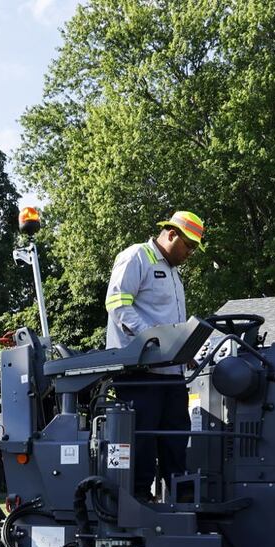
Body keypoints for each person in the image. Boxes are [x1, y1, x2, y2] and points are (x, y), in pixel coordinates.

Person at [103, 211, 205, 498]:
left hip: (170, 374)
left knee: (176, 439)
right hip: (139, 374)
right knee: (142, 442)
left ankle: (182, 500)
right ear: (171, 234)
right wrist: (157, 342)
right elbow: (118, 304)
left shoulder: (173, 273)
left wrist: (184, 350)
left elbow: (169, 323)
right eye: (189, 245)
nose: (190, 253)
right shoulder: (137, 256)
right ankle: (138, 501)